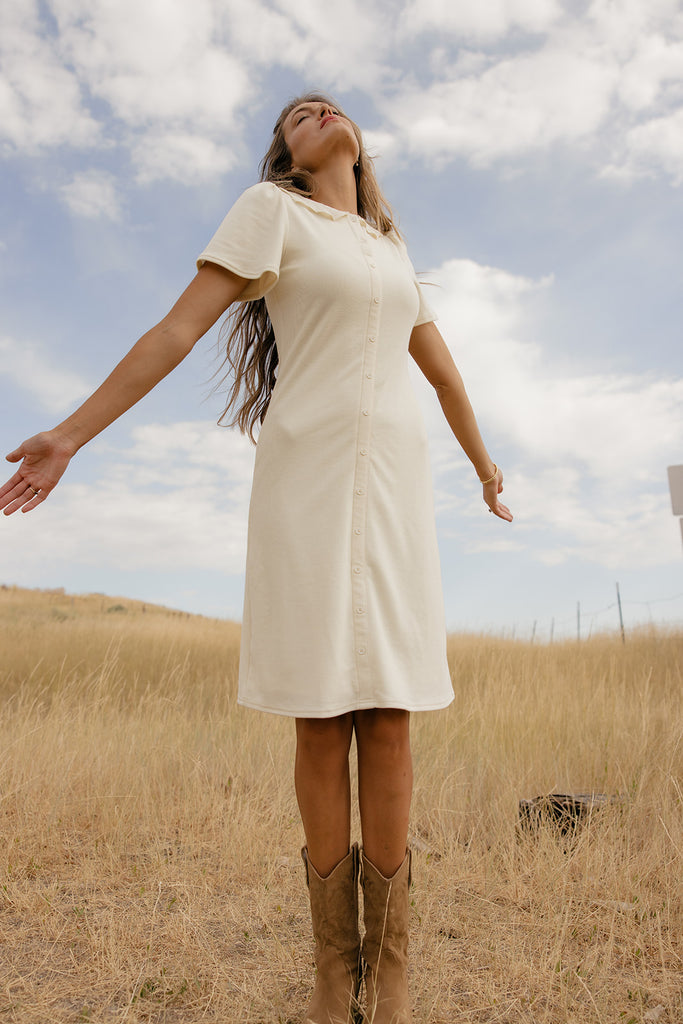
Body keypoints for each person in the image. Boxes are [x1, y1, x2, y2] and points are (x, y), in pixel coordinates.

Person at [1, 93, 512, 1024]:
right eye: (293, 114)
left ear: (359, 140)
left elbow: (442, 372)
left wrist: (484, 470)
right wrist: (72, 434)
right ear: (284, 153)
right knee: (318, 717)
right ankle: (331, 967)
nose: (314, 108)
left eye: (326, 102)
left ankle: (388, 969)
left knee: (391, 714)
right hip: (306, 482)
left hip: (396, 490)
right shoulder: (270, 211)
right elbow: (176, 329)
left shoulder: (392, 252)